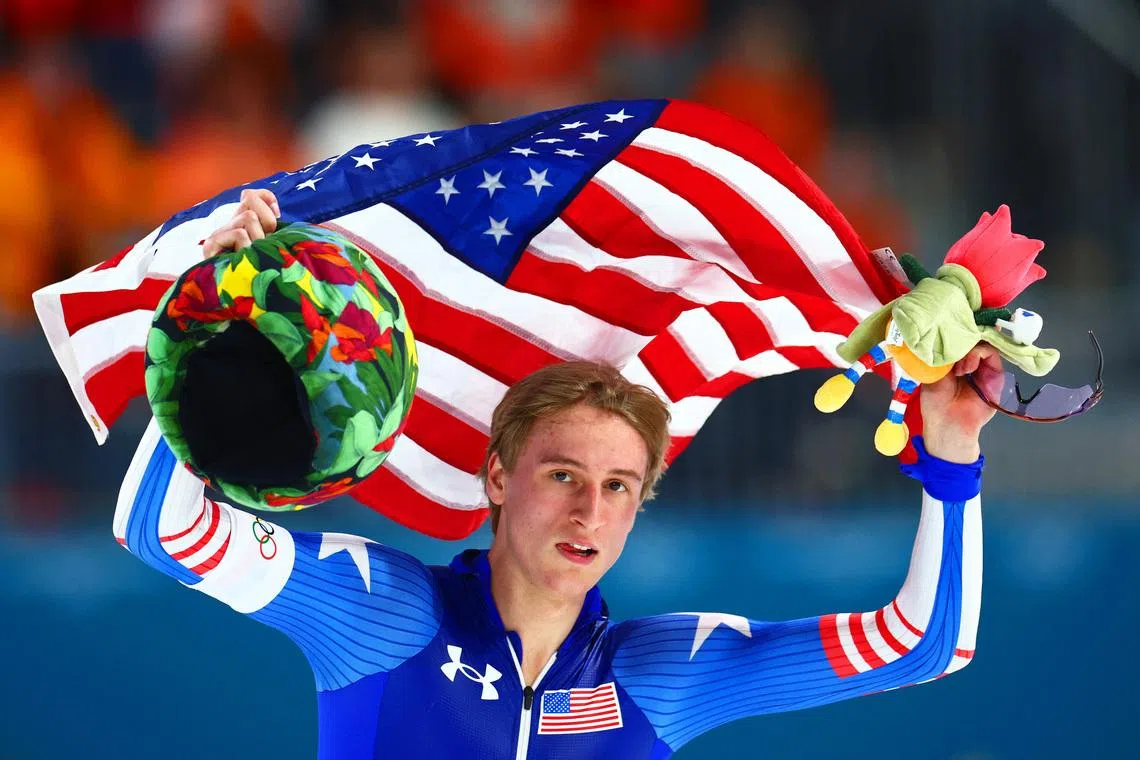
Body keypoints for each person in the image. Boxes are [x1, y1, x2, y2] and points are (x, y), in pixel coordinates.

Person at [115, 190, 996, 759]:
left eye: (619, 487)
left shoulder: (660, 675)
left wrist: (953, 456)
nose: (590, 511)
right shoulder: (381, 614)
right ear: (497, 478)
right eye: (564, 475)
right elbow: (163, 529)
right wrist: (211, 312)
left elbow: (926, 644)